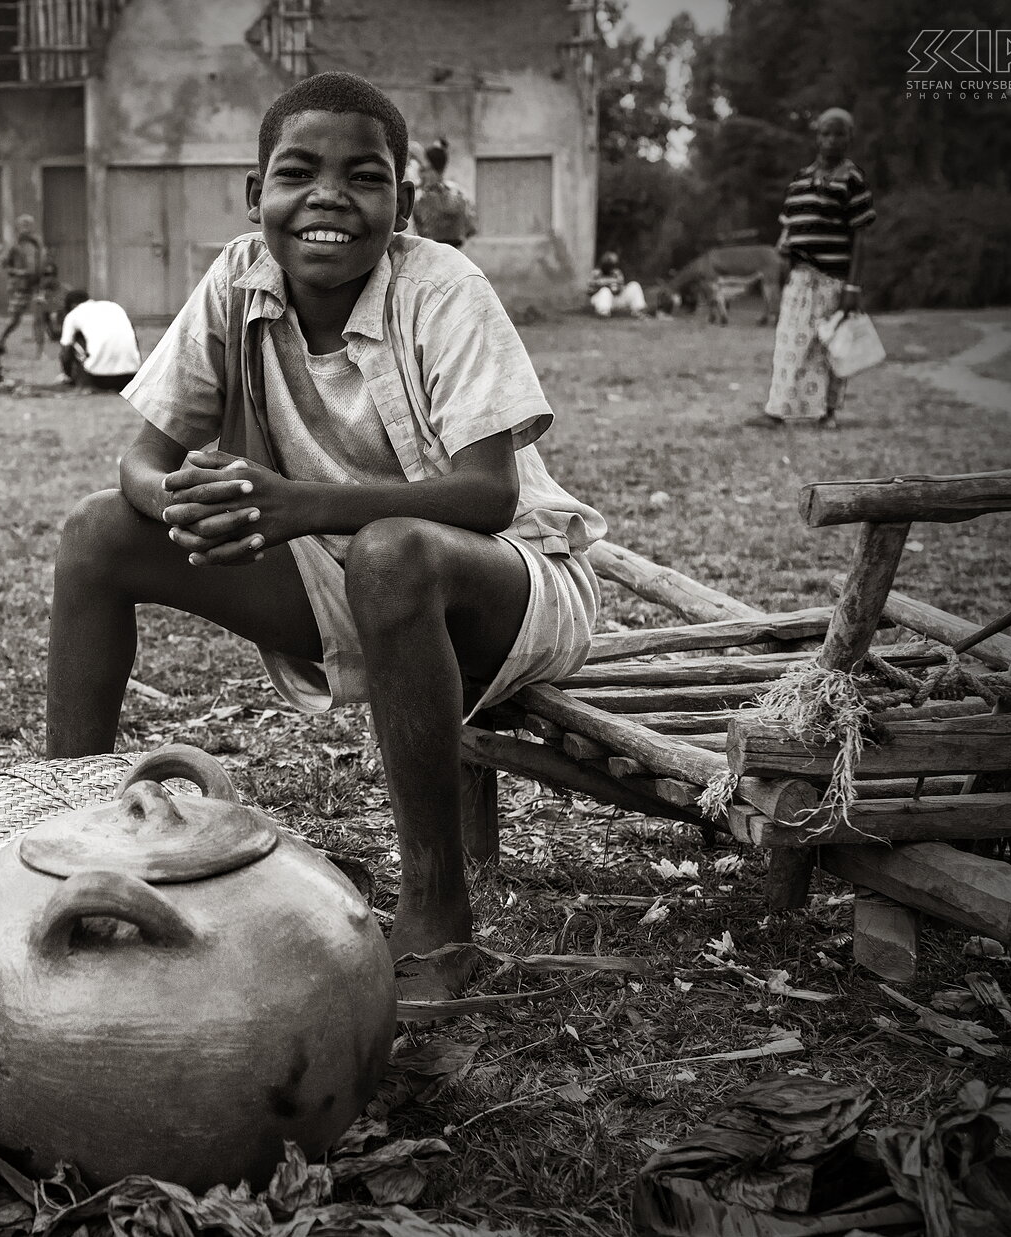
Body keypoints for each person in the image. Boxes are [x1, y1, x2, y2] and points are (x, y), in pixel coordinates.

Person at [45, 71, 604, 997]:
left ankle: (435, 910)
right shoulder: (236, 279)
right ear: (255, 193)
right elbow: (139, 462)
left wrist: (297, 506)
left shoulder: (441, 287)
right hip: (343, 578)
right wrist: (179, 496)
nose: (330, 199)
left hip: (508, 587)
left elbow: (488, 493)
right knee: (96, 535)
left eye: (365, 177)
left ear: (404, 202)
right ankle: (59, 833)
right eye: (298, 173)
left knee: (393, 550)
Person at [752, 107, 875, 429]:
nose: (832, 140)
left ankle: (828, 412)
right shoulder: (799, 180)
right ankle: (776, 410)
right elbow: (788, 230)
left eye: (839, 134)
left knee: (832, 347)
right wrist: (781, 271)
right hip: (801, 279)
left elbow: (860, 236)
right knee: (789, 344)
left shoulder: (852, 180)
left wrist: (853, 286)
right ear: (817, 136)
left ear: (850, 138)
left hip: (834, 280)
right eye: (826, 133)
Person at [58, 289, 140, 391]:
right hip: (130, 376)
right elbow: (134, 339)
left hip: (99, 378)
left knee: (74, 341)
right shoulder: (114, 306)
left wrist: (68, 374)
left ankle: (83, 383)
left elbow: (65, 352)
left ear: (72, 306)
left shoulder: (73, 315)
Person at [0, 213, 50, 353]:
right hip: (20, 286)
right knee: (15, 319)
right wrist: (17, 272)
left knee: (39, 317)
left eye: (29, 225)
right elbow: (4, 264)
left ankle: (39, 351)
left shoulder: (37, 244)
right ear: (18, 227)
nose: (26, 228)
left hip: (37, 285)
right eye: (23, 225)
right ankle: (1, 341)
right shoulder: (14, 245)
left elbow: (43, 261)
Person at [410, 141, 476, 250]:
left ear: (431, 169)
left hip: (429, 254)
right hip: (456, 254)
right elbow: (472, 228)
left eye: (424, 169)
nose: (421, 174)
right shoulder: (459, 192)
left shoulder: (420, 196)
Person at [587, 252, 645, 317]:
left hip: (615, 299)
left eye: (612, 264)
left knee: (634, 285)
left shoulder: (617, 273)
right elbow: (589, 292)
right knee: (605, 291)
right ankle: (603, 313)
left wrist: (615, 289)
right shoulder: (595, 273)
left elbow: (620, 288)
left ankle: (638, 311)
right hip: (600, 299)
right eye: (608, 263)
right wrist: (602, 286)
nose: (609, 266)